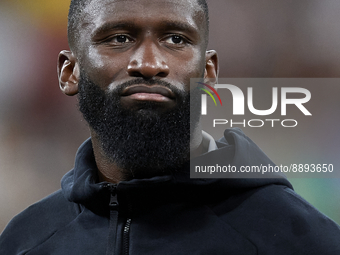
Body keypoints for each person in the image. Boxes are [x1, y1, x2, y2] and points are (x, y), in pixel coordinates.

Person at [1, 0, 340, 254]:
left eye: (176, 40)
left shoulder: (302, 240)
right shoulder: (25, 240)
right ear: (69, 72)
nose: (149, 64)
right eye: (119, 38)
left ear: (209, 74)